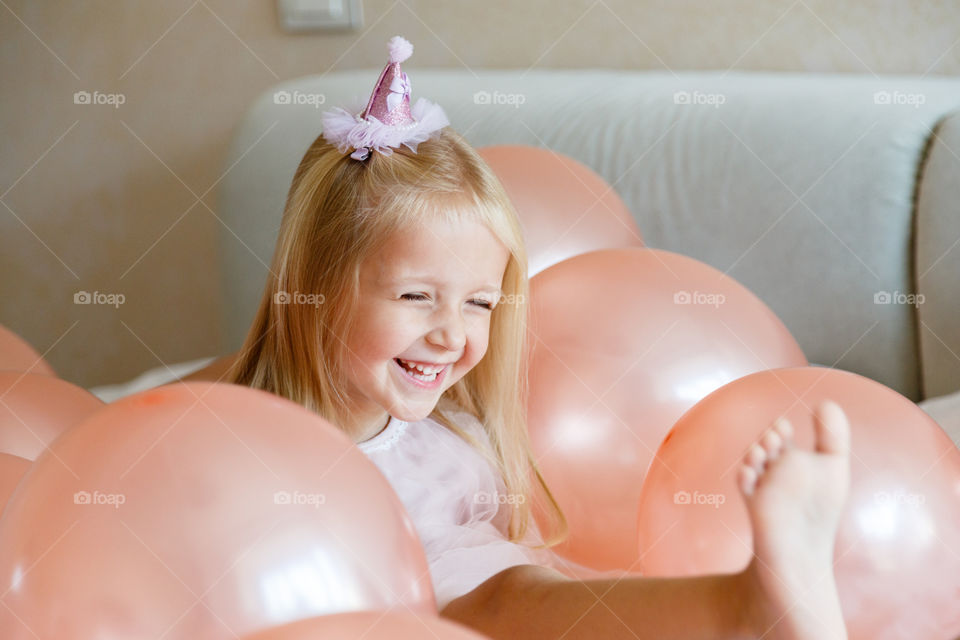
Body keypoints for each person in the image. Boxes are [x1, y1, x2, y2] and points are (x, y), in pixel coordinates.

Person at [226, 36, 852, 639]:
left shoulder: (445, 444)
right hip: (374, 600)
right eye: (416, 297)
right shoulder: (247, 439)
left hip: (486, 591)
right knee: (511, 603)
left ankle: (748, 606)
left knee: (534, 598)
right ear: (316, 286)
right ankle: (744, 610)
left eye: (479, 304)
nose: (451, 336)